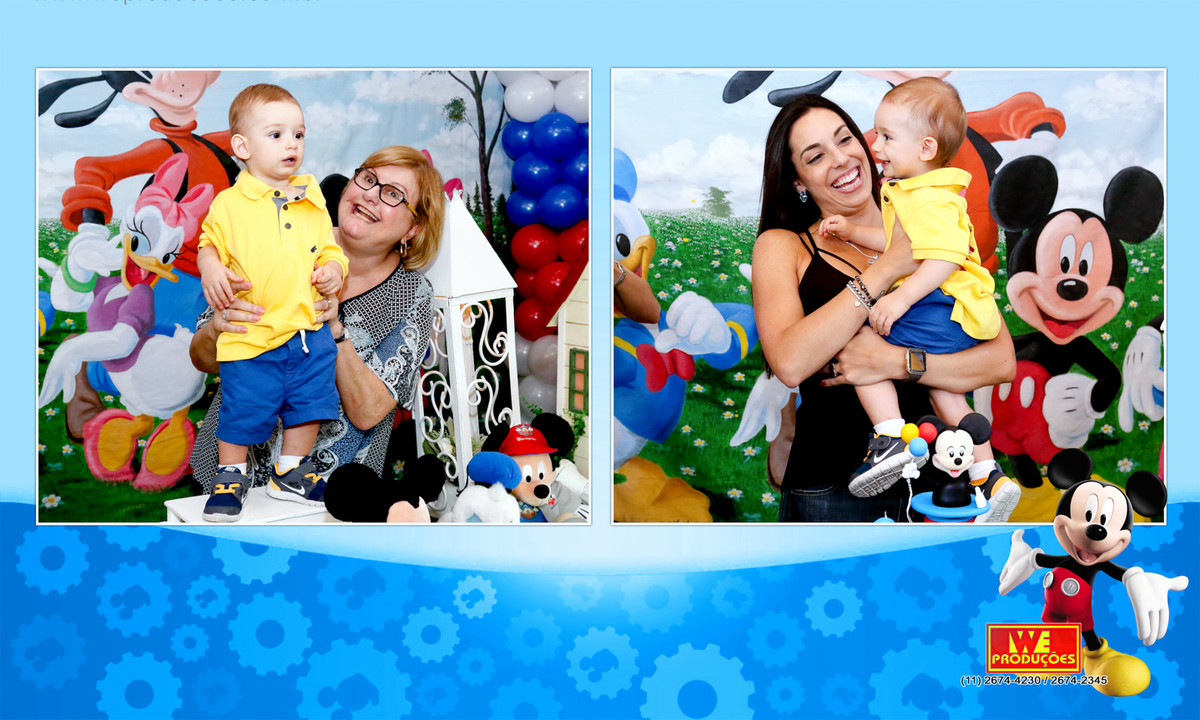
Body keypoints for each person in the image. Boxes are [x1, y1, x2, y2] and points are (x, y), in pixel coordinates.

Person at [751, 94, 1017, 522]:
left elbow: (1000, 362)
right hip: (831, 490)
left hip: (943, 485)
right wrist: (888, 267)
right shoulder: (783, 246)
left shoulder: (933, 219)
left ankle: (977, 472)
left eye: (845, 139)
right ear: (798, 182)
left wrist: (895, 362)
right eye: (816, 156)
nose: (841, 159)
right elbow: (790, 363)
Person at [189, 143, 444, 520]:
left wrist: (334, 329)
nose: (371, 195)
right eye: (368, 179)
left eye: (393, 194)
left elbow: (368, 412)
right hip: (227, 484)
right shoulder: (281, 233)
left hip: (331, 499)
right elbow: (201, 359)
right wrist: (217, 328)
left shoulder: (411, 294)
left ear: (414, 227)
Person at [816, 78, 1008, 503]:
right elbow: (903, 246)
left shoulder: (931, 199)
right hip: (954, 315)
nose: (876, 146)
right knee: (946, 391)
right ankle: (988, 473)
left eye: (887, 137)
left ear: (925, 148)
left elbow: (944, 258)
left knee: (858, 342)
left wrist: (900, 298)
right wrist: (853, 231)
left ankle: (889, 436)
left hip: (940, 308)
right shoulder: (918, 193)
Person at [194, 84, 348, 522]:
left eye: (298, 134)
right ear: (243, 147)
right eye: (276, 135)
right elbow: (209, 244)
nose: (292, 144)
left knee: (311, 404)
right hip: (252, 334)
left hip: (307, 333)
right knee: (243, 408)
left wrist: (334, 270)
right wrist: (211, 268)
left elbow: (331, 249)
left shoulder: (312, 199)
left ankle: (291, 471)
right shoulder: (229, 203)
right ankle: (230, 474)